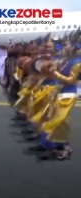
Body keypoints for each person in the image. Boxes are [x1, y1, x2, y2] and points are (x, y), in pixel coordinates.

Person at [39, 29, 81, 160]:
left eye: (66, 44)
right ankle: (53, 147)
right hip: (59, 91)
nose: (63, 46)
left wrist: (55, 73)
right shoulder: (66, 60)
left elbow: (71, 80)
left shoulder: (78, 62)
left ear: (74, 47)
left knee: (60, 122)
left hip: (68, 94)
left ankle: (66, 148)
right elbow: (53, 69)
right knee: (55, 120)